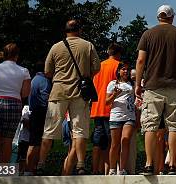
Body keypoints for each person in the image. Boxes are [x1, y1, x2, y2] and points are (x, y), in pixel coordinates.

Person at [37, 19, 101, 175]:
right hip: (80, 92)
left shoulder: (56, 47)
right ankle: (80, 165)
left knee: (50, 129)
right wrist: (85, 76)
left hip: (59, 91)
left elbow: (47, 71)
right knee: (79, 130)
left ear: (65, 30)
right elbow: (96, 67)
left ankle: (41, 164)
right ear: (79, 30)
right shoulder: (88, 45)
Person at [135, 4, 176, 175]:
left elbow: (140, 61)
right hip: (174, 86)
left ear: (158, 17)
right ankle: (173, 164)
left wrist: (138, 83)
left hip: (152, 86)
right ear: (172, 17)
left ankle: (149, 164)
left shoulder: (148, 34)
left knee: (150, 125)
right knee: (174, 126)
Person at [0, 43, 31, 163]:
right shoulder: (24, 71)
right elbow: (25, 93)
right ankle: (4, 170)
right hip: (13, 104)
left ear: (4, 54)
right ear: (17, 56)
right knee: (7, 140)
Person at [90, 43, 123, 175]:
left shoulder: (99, 66)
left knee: (98, 142)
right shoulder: (118, 66)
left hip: (97, 107)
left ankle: (95, 169)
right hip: (111, 109)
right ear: (118, 54)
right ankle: (110, 169)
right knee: (112, 141)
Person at [106, 62, 136, 175]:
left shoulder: (132, 84)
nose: (126, 71)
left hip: (129, 116)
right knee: (115, 144)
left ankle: (122, 169)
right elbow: (106, 102)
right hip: (116, 116)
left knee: (125, 140)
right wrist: (114, 94)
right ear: (118, 71)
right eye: (123, 69)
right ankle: (112, 169)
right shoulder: (113, 84)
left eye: (127, 69)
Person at [25, 61, 52, 175]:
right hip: (42, 113)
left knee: (33, 142)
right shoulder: (44, 81)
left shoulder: (34, 79)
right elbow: (46, 97)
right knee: (39, 142)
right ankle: (35, 168)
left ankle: (28, 169)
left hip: (34, 112)